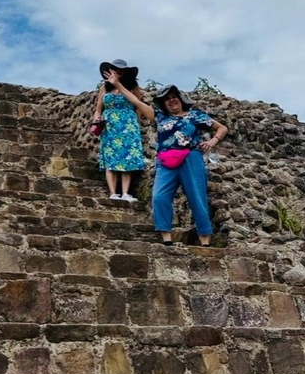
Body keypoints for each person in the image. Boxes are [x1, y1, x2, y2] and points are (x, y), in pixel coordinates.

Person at [151, 85, 228, 247]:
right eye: (166, 99)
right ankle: (166, 237)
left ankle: (205, 240)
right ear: (163, 104)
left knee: (197, 197)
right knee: (159, 196)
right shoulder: (160, 117)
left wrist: (213, 141)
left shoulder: (195, 115)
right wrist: (118, 85)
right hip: (166, 159)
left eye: (174, 96)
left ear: (180, 99)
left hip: (191, 157)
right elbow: (136, 101)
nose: (171, 100)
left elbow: (222, 128)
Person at [93, 59, 148, 202]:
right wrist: (97, 119)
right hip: (110, 125)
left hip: (128, 124)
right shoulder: (104, 88)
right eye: (114, 69)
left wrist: (136, 123)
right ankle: (113, 193)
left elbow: (138, 106)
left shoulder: (133, 87)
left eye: (120, 69)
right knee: (111, 157)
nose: (117, 71)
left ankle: (125, 193)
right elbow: (99, 109)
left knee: (128, 157)